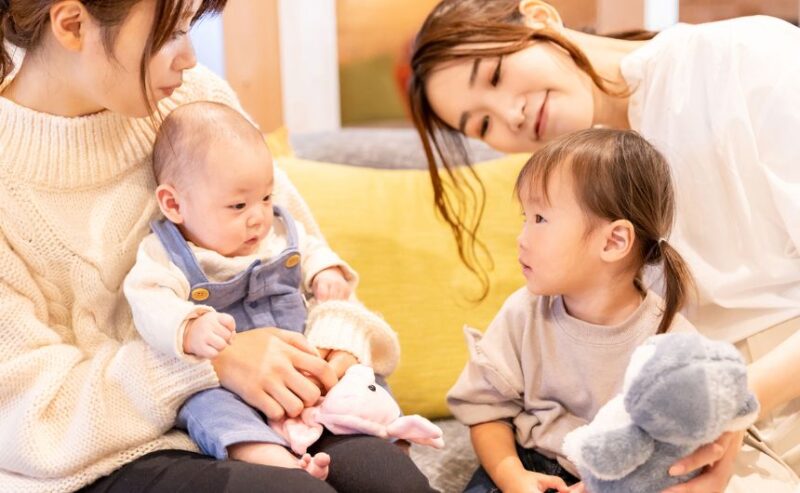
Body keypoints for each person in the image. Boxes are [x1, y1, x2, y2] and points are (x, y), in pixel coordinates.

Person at [0, 1, 435, 492]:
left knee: (390, 481)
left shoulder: (195, 99)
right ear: (73, 24)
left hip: (268, 409)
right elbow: (27, 419)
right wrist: (214, 363)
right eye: (169, 32)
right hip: (105, 458)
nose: (188, 58)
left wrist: (336, 344)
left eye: (191, 26)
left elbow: (297, 251)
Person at [409, 1, 800, 491]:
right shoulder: (573, 190)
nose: (511, 114)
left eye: (494, 75)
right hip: (677, 417)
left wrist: (728, 407)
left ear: (539, 17)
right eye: (483, 125)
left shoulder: (746, 58)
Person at [123, 100, 402, 480]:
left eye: (266, 198)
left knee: (358, 376)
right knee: (208, 409)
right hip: (228, 386)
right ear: (174, 204)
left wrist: (325, 270)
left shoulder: (278, 231)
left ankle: (394, 433)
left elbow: (310, 247)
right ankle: (281, 464)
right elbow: (148, 301)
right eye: (238, 205)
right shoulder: (166, 254)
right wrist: (188, 325)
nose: (258, 217)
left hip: (302, 363)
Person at [447, 128, 696, 493]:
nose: (521, 238)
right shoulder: (523, 313)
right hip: (528, 463)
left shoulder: (671, 344)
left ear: (614, 241)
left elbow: (677, 455)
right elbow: (485, 411)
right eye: (525, 217)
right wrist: (512, 477)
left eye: (540, 219)